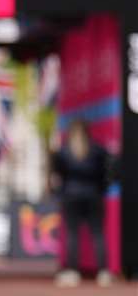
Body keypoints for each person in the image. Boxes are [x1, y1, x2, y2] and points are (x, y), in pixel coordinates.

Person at [49, 119, 114, 286]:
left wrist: (61, 192)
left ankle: (72, 272)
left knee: (72, 234)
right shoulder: (98, 150)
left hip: (71, 195)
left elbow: (58, 176)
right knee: (98, 233)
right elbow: (107, 171)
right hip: (93, 194)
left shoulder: (64, 152)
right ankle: (103, 272)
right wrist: (102, 189)